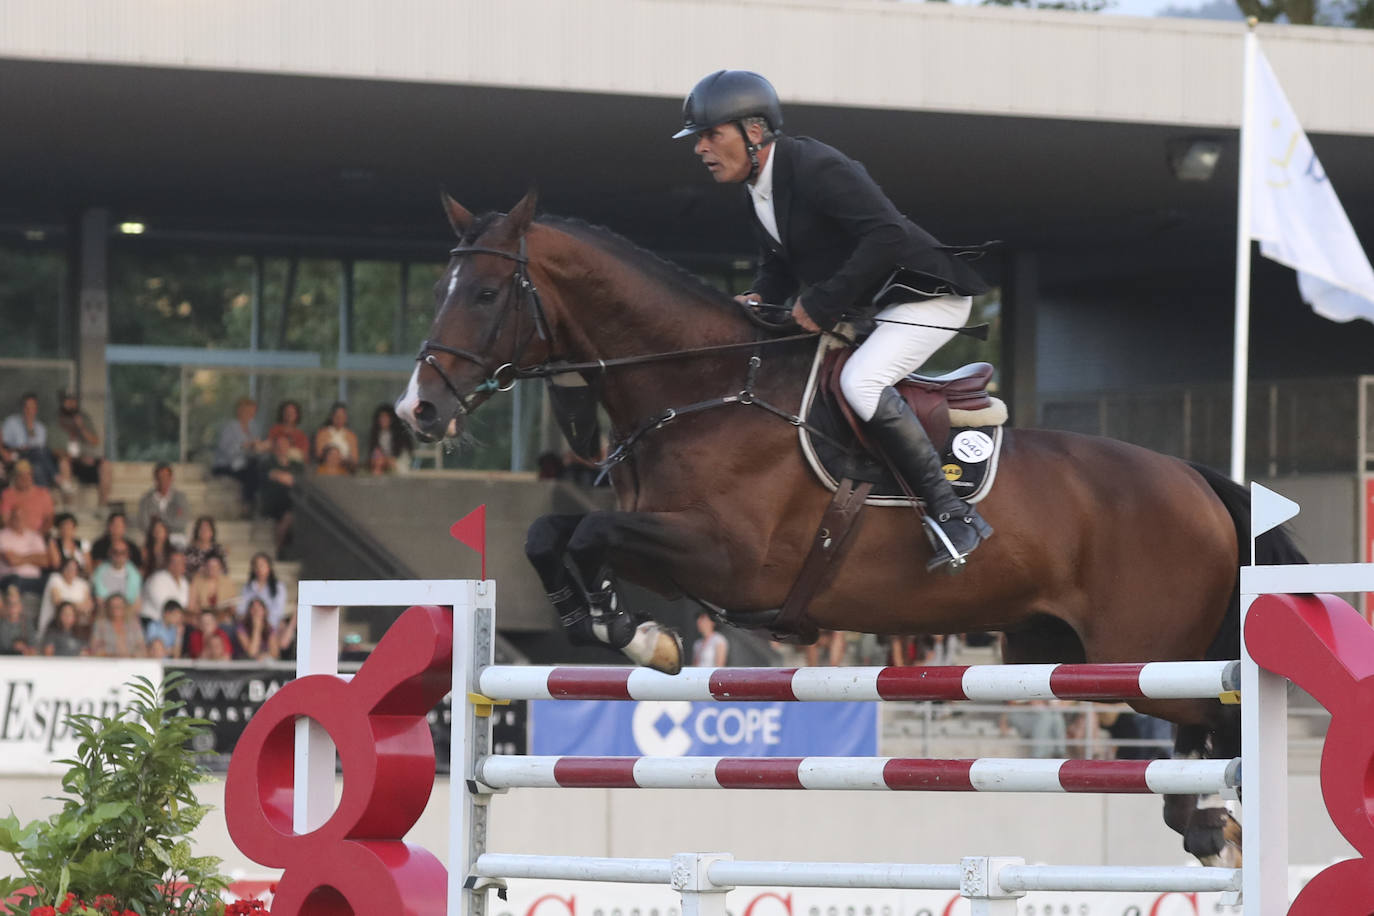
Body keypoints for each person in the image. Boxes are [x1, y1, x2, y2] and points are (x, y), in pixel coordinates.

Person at [673, 70, 994, 571]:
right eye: (699, 137)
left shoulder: (815, 165)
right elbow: (778, 266)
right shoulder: (759, 189)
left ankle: (954, 514)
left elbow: (886, 234)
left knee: (860, 383)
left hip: (929, 295)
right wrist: (760, 298)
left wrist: (821, 302)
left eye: (711, 134)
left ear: (754, 132)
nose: (700, 148)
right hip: (874, 306)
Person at [49, 390, 112, 511]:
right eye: (67, 400)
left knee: (106, 465)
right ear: (62, 402)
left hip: (85, 460)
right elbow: (52, 449)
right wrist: (66, 455)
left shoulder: (84, 418)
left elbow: (95, 441)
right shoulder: (55, 421)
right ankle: (68, 508)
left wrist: (81, 427)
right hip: (67, 461)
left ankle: (102, 508)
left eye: (73, 400)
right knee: (64, 464)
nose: (71, 403)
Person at [212, 397, 265, 514]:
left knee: (259, 469)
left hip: (245, 464)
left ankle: (256, 504)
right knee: (251, 472)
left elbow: (255, 449)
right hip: (226, 464)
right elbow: (225, 449)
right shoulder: (229, 427)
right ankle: (247, 505)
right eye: (248, 411)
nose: (250, 414)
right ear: (240, 411)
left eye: (252, 411)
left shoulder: (254, 428)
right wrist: (244, 446)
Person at [258, 434, 304, 558]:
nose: (282, 448)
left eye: (285, 445)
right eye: (279, 445)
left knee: (293, 511)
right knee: (288, 514)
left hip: (292, 501)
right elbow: (275, 476)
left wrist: (284, 477)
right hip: (273, 501)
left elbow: (299, 481)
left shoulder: (297, 465)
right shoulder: (267, 462)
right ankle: (279, 548)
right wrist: (285, 478)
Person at [2, 393, 57, 486]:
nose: (28, 410)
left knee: (37, 466)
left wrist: (29, 428)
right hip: (15, 455)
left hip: (33, 457)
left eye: (32, 407)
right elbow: (3, 441)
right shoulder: (11, 422)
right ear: (23, 408)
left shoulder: (40, 428)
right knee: (40, 453)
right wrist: (5, 453)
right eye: (26, 407)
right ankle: (56, 477)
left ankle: (43, 496)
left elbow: (38, 447)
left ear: (36, 409)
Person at [37, 555, 94, 636]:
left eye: (75, 569)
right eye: (69, 568)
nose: (71, 571)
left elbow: (89, 606)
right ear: (63, 568)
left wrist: (69, 605)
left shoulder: (82, 583)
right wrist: (79, 606)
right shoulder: (55, 578)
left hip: (76, 629)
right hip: (54, 626)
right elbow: (58, 603)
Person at [0, 506, 49, 595]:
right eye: (16, 517)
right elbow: (12, 561)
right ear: (11, 518)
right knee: (14, 582)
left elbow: (45, 561)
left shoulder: (35, 536)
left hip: (34, 579)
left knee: (50, 582)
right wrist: (34, 557)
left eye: (21, 517)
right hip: (11, 579)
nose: (19, 520)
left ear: (26, 518)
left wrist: (20, 557)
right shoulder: (2, 535)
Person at [135, 463, 192, 539]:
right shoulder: (146, 500)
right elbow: (144, 524)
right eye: (160, 477)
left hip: (176, 537)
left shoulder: (181, 498)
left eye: (166, 477)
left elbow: (182, 522)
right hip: (153, 539)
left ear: (171, 478)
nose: (163, 480)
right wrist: (159, 532)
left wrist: (160, 521)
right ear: (155, 479)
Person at [0, 459, 55, 536]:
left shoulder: (43, 493)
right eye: (21, 475)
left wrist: (37, 536)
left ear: (32, 476)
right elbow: (5, 520)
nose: (24, 478)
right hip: (14, 536)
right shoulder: (7, 494)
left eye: (27, 475)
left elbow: (49, 519)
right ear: (15, 477)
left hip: (39, 536)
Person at [142, 547, 189, 628]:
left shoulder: (184, 582)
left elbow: (184, 605)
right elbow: (164, 606)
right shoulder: (157, 579)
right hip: (152, 621)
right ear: (168, 564)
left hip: (174, 622)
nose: (177, 566)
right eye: (174, 562)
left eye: (180, 562)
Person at [239, 551, 287, 627]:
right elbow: (242, 608)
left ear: (269, 567)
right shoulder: (247, 587)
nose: (259, 569)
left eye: (262, 565)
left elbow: (278, 611)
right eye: (256, 566)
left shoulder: (279, 587)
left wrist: (265, 623)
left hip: (271, 626)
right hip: (250, 625)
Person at [90, 593, 147, 658]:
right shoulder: (100, 625)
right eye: (113, 606)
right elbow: (94, 649)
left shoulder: (134, 625)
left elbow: (142, 648)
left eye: (119, 605)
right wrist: (113, 655)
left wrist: (131, 656)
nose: (116, 608)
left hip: (132, 663)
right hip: (107, 663)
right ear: (108, 607)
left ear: (125, 607)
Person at [90, 540, 142, 608]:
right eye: (115, 552)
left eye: (123, 552)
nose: (119, 555)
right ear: (109, 553)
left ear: (128, 554)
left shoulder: (135, 576)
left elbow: (136, 602)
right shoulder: (98, 574)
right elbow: (99, 600)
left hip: (128, 611)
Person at [366, 404, 413, 475]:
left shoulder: (401, 436)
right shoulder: (376, 435)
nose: (383, 420)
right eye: (381, 417)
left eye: (386, 417)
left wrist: (389, 461)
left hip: (399, 466)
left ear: (392, 419)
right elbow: (374, 455)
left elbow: (404, 460)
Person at [313, 403, 358, 474]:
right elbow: (319, 455)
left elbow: (354, 459)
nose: (339, 419)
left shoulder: (351, 436)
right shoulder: (322, 433)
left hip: (345, 471)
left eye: (342, 416)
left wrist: (342, 461)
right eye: (337, 416)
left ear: (346, 418)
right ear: (332, 416)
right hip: (327, 471)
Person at [236, 596, 279, 661]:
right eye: (253, 609)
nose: (256, 612)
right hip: (247, 664)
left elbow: (275, 653)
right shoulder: (242, 628)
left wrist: (265, 656)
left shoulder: (269, 628)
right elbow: (252, 653)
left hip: (265, 664)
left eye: (259, 608)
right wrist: (257, 629)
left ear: (264, 611)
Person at [0, 585, 36, 654]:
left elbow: (33, 648)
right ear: (6, 606)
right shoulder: (1, 624)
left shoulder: (27, 624)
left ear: (20, 606)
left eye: (15, 604)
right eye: (10, 604)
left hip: (23, 661)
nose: (13, 607)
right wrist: (13, 647)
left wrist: (25, 648)